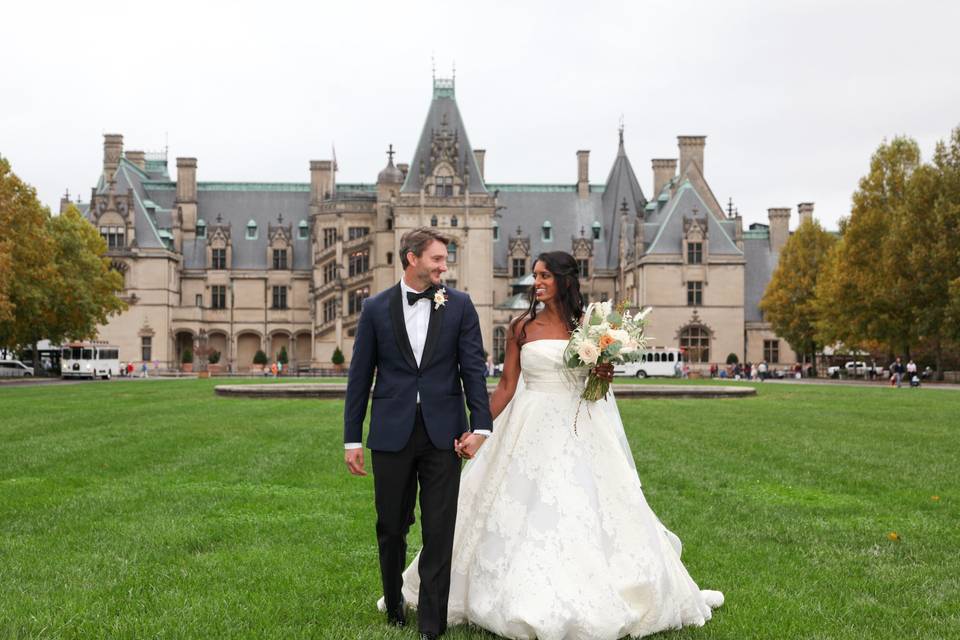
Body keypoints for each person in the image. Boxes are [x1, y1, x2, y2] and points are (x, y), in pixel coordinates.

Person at [388, 251, 722, 639]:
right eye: (534, 276)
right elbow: (507, 387)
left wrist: (602, 372)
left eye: (545, 275)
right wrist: (476, 429)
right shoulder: (521, 326)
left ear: (565, 279)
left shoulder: (591, 326)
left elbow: (599, 390)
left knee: (588, 506)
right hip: (527, 425)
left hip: (581, 426)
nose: (537, 283)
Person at [344, 228, 493, 639]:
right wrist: (352, 439)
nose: (445, 266)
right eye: (437, 259)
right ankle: (394, 605)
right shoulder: (375, 308)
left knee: (439, 528)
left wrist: (480, 426)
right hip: (391, 435)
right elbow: (360, 378)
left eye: (445, 259)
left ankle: (432, 622)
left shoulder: (460, 305)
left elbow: (473, 371)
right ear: (412, 259)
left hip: (444, 435)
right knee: (391, 526)